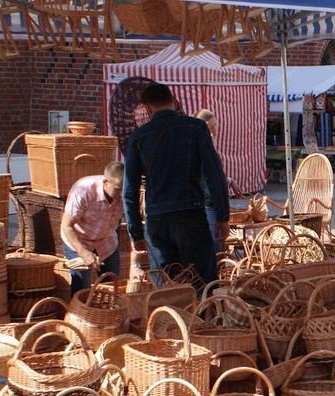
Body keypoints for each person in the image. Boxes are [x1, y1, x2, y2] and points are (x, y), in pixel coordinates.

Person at [123, 84, 229, 288]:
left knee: (165, 287)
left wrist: (135, 233)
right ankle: (202, 319)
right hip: (191, 215)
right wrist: (222, 216)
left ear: (147, 107)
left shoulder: (138, 137)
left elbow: (129, 192)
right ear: (173, 101)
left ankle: (167, 319)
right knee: (202, 284)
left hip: (157, 221)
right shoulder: (195, 127)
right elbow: (214, 174)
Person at [61, 161, 125, 295]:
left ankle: (106, 315)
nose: (121, 194)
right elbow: (67, 226)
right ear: (105, 182)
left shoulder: (127, 194)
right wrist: (83, 252)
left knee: (111, 287)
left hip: (107, 241)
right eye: (117, 189)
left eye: (124, 189)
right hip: (79, 239)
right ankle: (79, 314)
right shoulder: (83, 191)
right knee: (82, 290)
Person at [194, 108, 242, 256]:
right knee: (214, 241)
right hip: (206, 200)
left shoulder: (210, 143)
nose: (214, 131)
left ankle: (217, 272)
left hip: (212, 198)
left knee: (218, 241)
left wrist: (229, 181)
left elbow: (213, 174)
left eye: (215, 126)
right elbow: (202, 176)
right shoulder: (196, 145)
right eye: (210, 127)